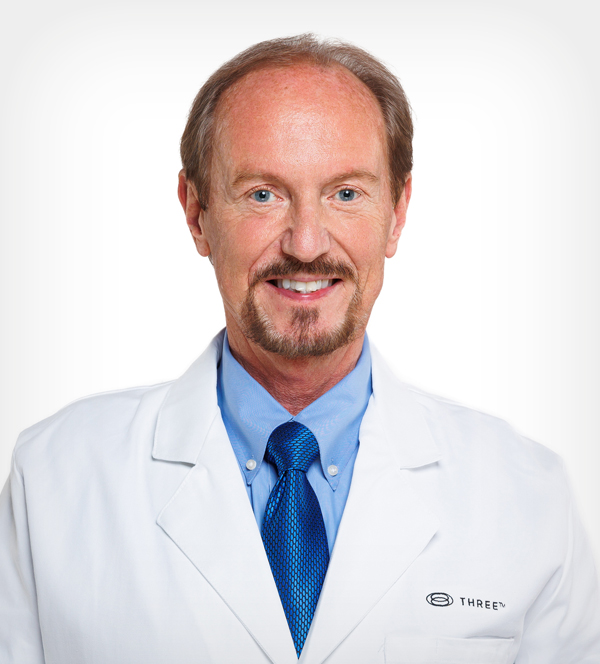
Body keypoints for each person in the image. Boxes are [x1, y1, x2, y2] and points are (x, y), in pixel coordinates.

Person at [1, 34, 599, 664]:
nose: (307, 244)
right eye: (263, 194)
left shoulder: (528, 498)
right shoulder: (55, 479)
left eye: (346, 194)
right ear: (197, 213)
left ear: (397, 212)